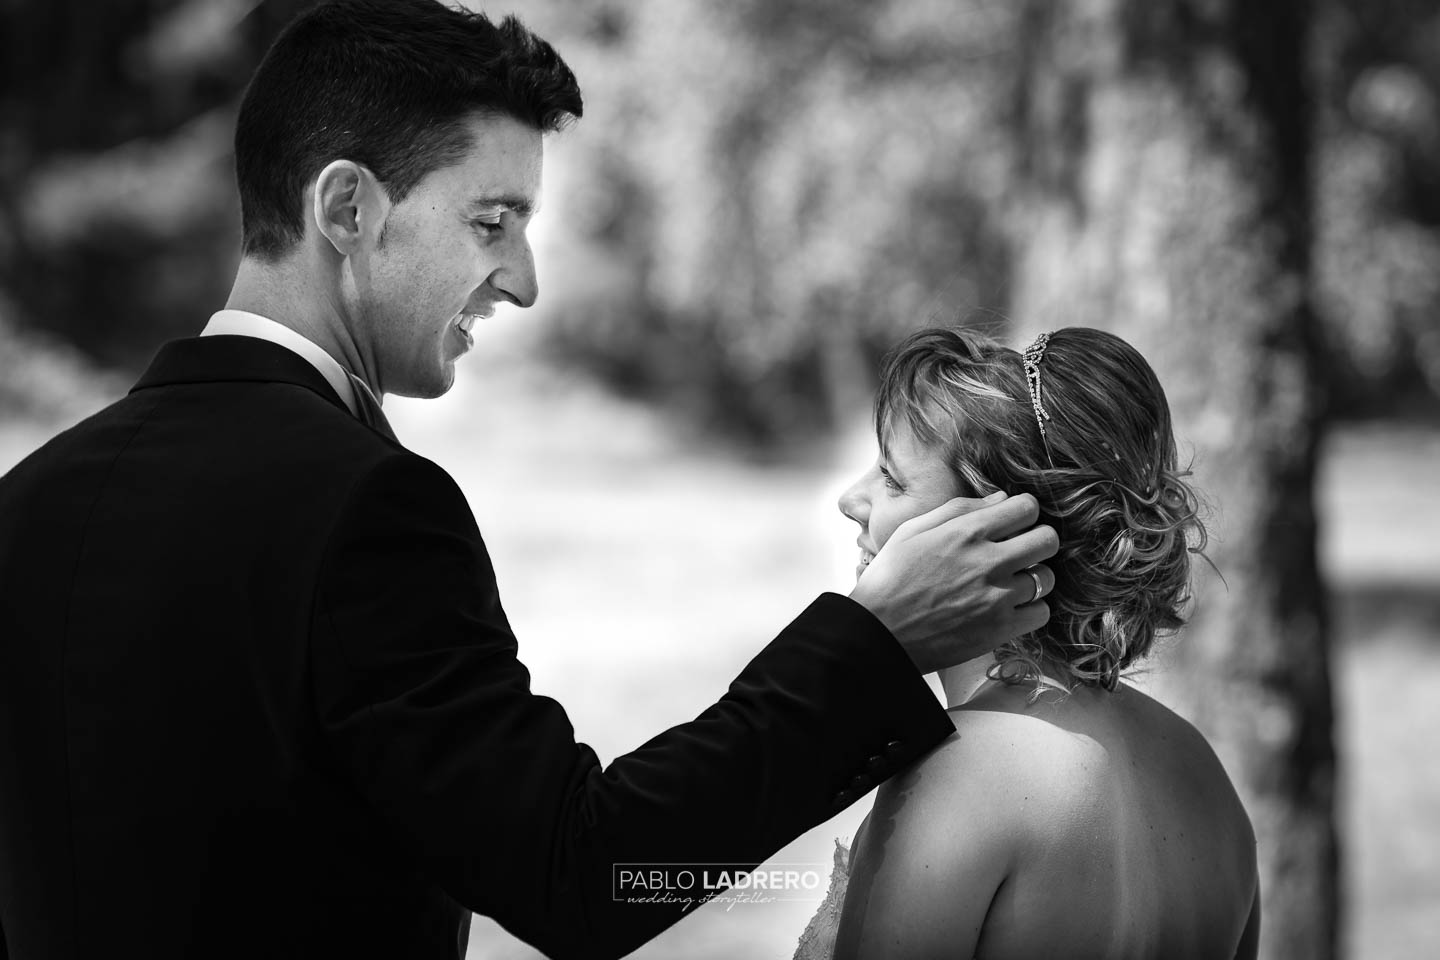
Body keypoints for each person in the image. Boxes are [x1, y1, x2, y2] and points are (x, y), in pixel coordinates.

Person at [0, 3, 1060, 959]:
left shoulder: (28, 503)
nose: (525, 280)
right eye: (489, 221)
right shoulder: (366, 509)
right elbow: (583, 879)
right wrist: (876, 644)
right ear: (346, 209)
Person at [795, 327, 1259, 960]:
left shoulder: (959, 776)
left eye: (893, 481)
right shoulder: (1201, 773)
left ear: (999, 528)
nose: (852, 501)